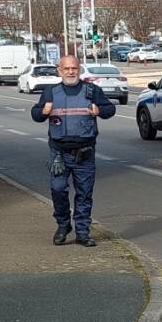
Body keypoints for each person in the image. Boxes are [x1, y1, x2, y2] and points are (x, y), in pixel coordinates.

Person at [31, 55, 115, 247]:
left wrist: (99, 110)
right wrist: (43, 112)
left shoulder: (92, 90)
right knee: (58, 189)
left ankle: (83, 233)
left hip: (85, 153)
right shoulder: (50, 92)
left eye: (74, 68)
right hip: (59, 153)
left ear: (79, 69)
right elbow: (35, 115)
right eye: (67, 68)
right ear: (60, 71)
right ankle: (63, 225)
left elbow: (110, 109)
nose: (71, 72)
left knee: (84, 194)